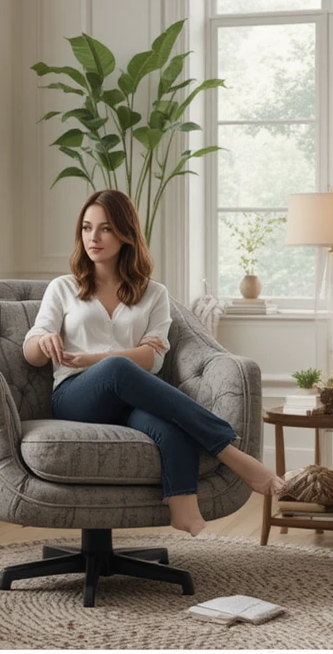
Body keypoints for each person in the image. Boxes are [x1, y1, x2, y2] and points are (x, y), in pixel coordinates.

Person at [23, 189, 284, 536]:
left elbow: (151, 360)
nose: (93, 238)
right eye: (87, 228)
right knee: (117, 368)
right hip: (76, 397)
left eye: (104, 229)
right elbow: (30, 350)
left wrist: (92, 357)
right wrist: (43, 341)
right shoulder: (63, 288)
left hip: (130, 399)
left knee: (169, 424)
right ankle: (231, 452)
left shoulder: (154, 293)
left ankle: (184, 507)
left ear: (125, 233)